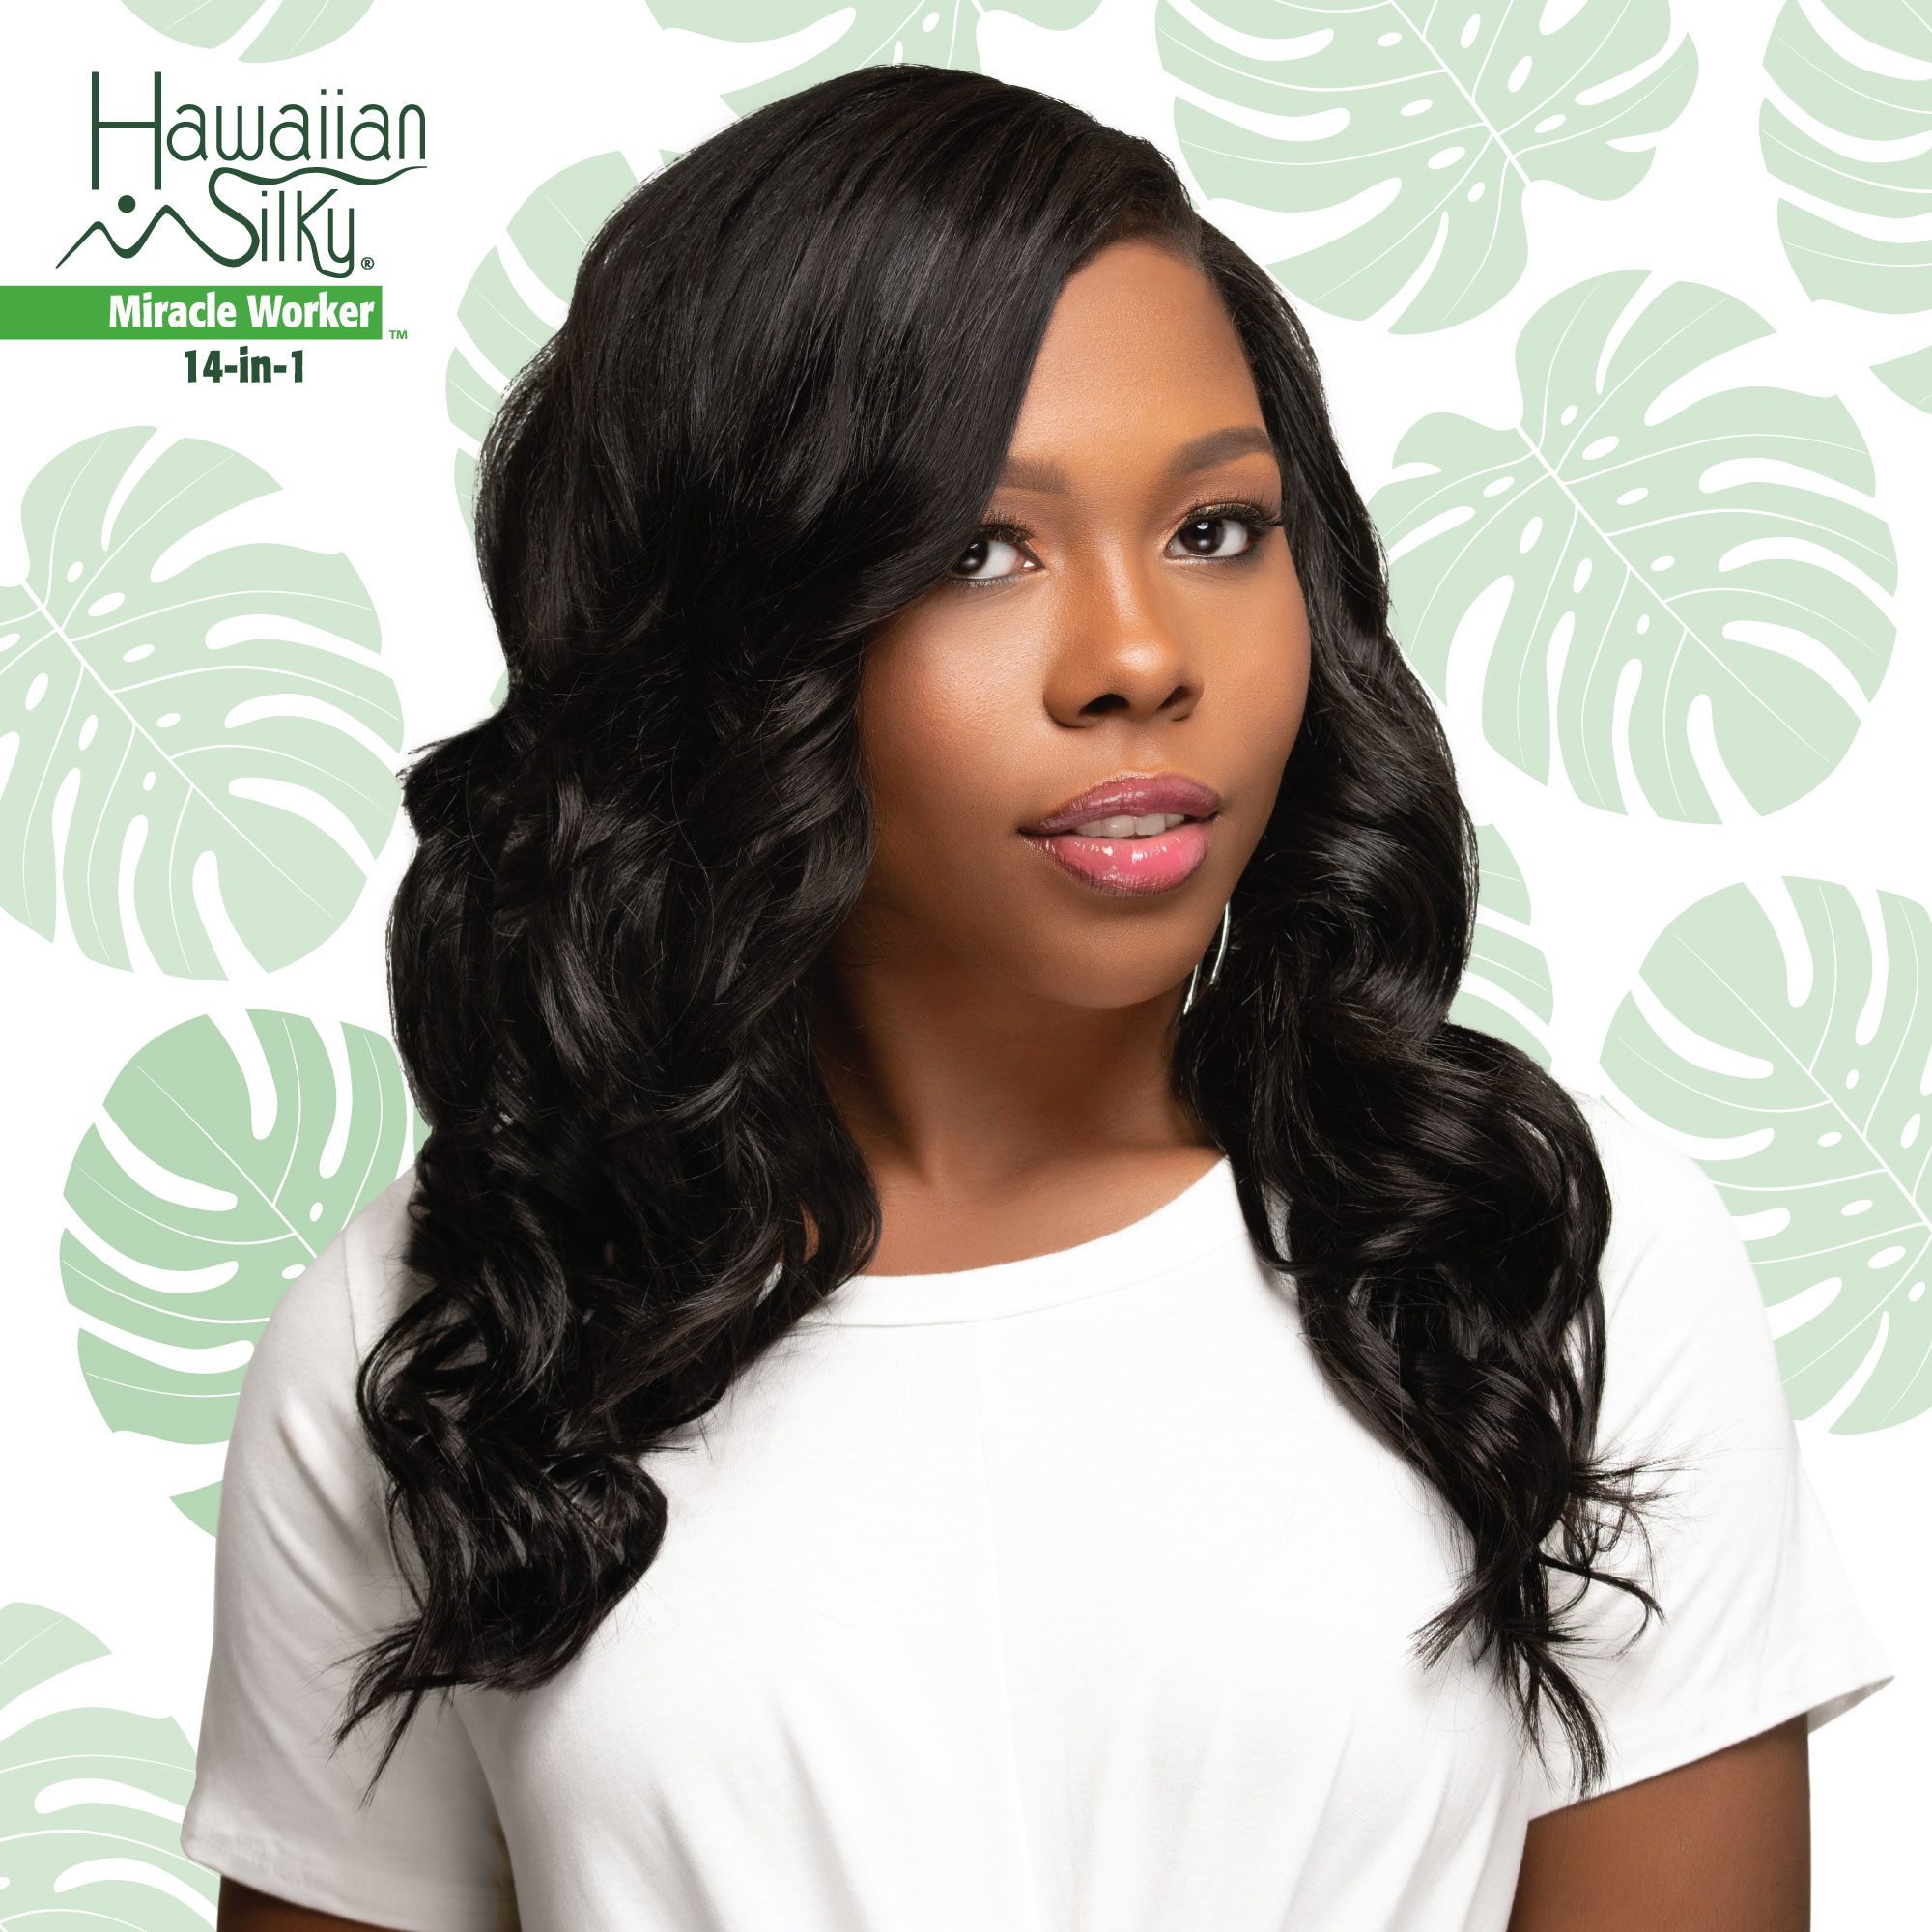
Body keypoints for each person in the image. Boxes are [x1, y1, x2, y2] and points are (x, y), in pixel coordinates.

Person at [181, 63, 1889, 1932]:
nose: (1140, 656)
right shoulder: (446, 1335)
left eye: (1217, 530)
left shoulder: (1545, 1255)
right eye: (980, 550)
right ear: (737, 629)